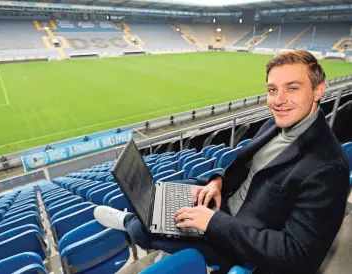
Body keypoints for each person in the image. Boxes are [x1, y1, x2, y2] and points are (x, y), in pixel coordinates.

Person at [94, 50, 350, 274]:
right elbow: (249, 168)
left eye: (292, 88)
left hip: (236, 240)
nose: (278, 100)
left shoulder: (328, 167)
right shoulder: (277, 123)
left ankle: (129, 223)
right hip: (224, 203)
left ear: (318, 90)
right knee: (159, 193)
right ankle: (164, 228)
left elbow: (299, 257)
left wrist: (212, 223)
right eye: (272, 89)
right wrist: (217, 182)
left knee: (144, 225)